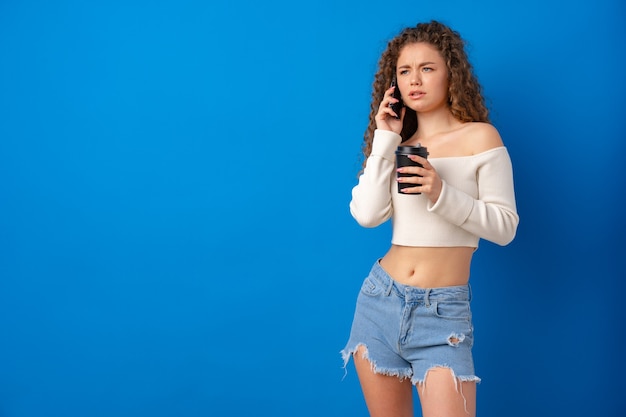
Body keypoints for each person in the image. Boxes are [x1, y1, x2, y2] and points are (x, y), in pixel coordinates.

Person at [341, 20, 519, 417]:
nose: (414, 80)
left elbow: (506, 227)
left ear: (450, 74)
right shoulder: (397, 146)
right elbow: (367, 215)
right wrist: (385, 138)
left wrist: (441, 192)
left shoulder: (480, 138)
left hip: (443, 314)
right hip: (379, 302)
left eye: (427, 68)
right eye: (404, 71)